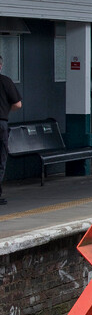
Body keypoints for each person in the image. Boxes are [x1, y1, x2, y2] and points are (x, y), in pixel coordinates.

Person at [0, 55, 22, 205]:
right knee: (0, 160)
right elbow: (18, 104)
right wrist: (6, 109)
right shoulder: (5, 81)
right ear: (0, 65)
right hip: (1, 124)